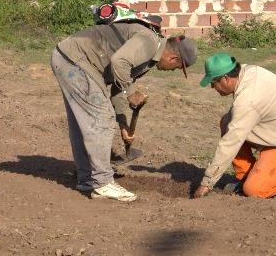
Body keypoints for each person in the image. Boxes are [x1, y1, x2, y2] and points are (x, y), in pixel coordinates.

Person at [52, 21, 198, 202]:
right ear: (173, 58)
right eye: (176, 68)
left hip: (70, 60)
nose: (172, 71)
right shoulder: (150, 41)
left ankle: (88, 179)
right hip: (75, 62)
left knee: (82, 122)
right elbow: (119, 62)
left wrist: (123, 124)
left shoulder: (149, 55)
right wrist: (131, 92)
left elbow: (117, 84)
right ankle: (102, 183)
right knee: (102, 118)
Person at [193, 53, 276, 199]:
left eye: (213, 82)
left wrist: (207, 184)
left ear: (225, 78)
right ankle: (246, 176)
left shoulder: (248, 100)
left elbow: (230, 142)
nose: (212, 87)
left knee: (253, 190)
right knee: (227, 122)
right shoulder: (248, 71)